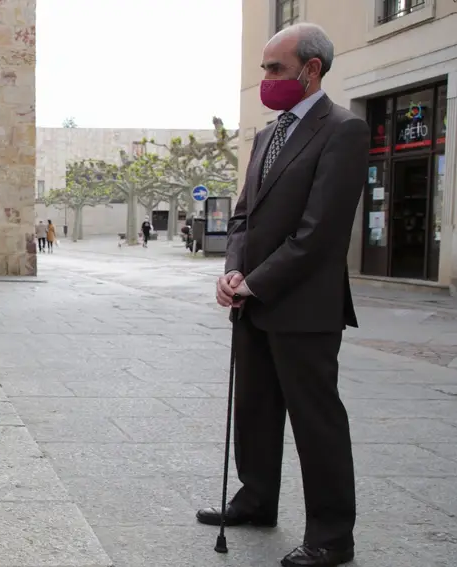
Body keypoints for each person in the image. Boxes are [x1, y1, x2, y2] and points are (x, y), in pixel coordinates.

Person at [199, 23, 367, 567]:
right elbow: (244, 214)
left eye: (275, 68)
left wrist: (256, 280)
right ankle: (256, 499)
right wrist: (232, 272)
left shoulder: (343, 130)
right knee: (254, 409)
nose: (266, 79)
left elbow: (320, 232)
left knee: (316, 421)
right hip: (252, 302)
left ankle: (332, 536)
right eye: (265, 68)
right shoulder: (268, 135)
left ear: (311, 69)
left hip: (305, 309)